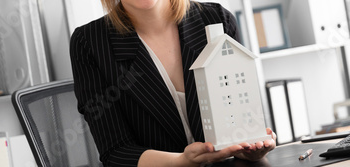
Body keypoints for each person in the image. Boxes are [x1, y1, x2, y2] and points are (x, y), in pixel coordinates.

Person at [69, 0, 276, 166]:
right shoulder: (89, 43)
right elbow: (116, 153)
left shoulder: (217, 19)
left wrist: (249, 148)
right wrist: (181, 162)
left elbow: (240, 121)